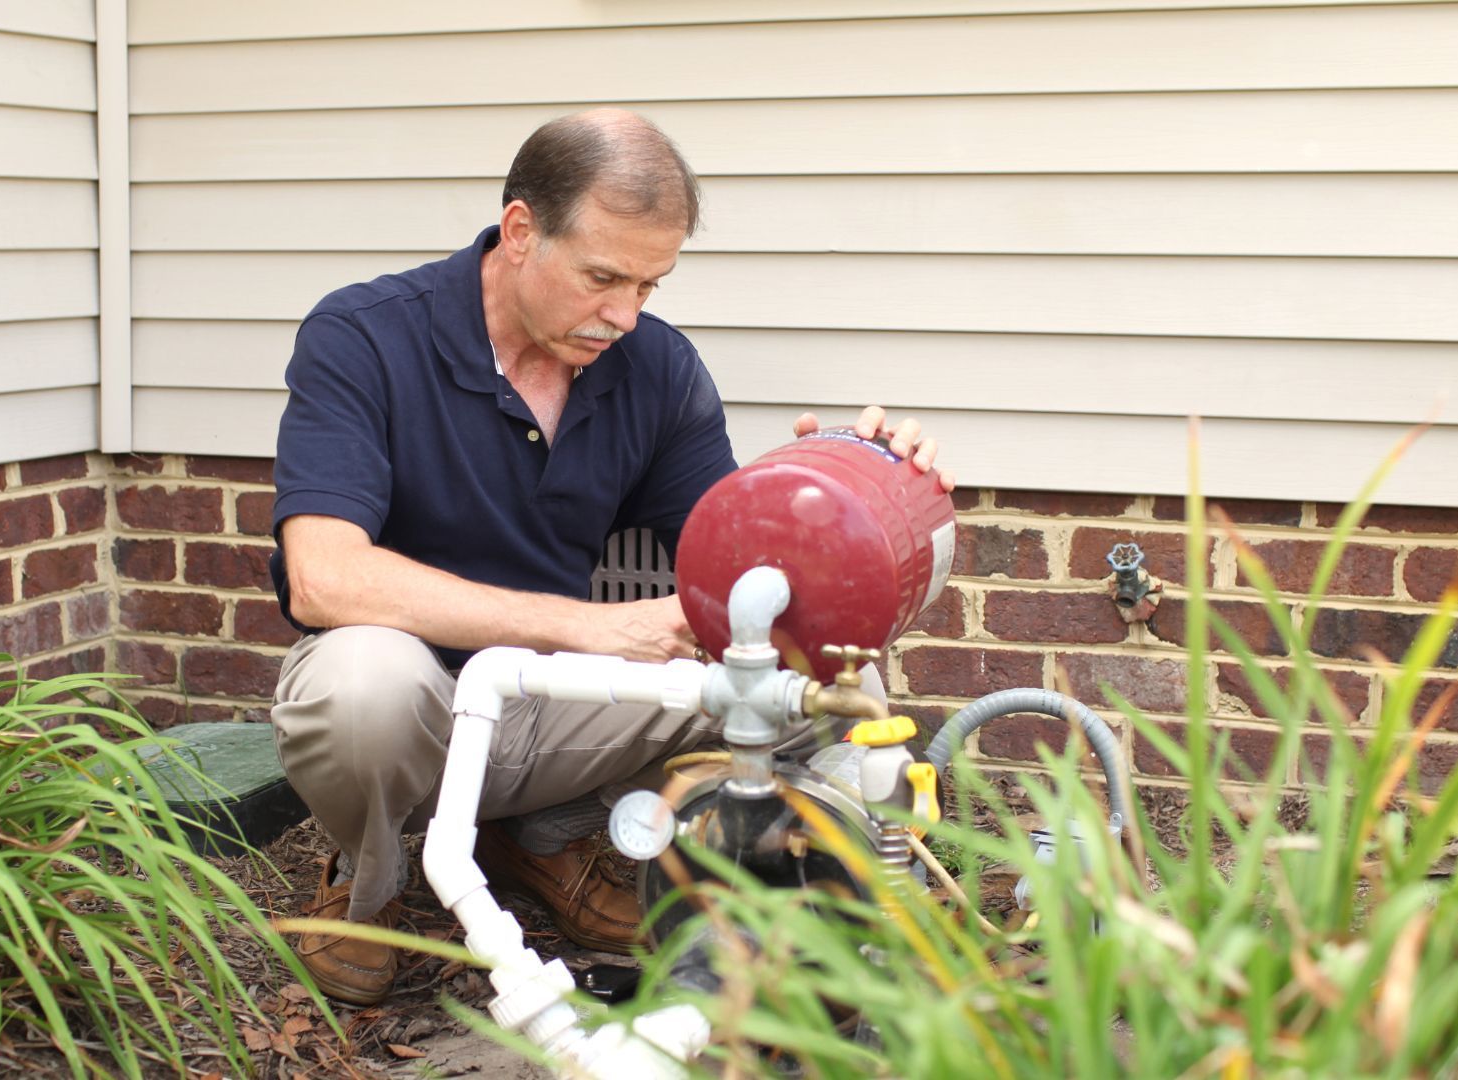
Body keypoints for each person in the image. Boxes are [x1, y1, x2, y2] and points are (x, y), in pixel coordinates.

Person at [268, 108, 953, 1005]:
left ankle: (554, 840)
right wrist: (589, 628)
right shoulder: (364, 336)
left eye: (649, 287)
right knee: (362, 680)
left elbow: (735, 567)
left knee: (819, 692)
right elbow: (325, 576)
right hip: (420, 707)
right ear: (521, 232)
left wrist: (846, 484)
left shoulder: (656, 369)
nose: (625, 315)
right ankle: (372, 889)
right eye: (602, 278)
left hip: (558, 708)